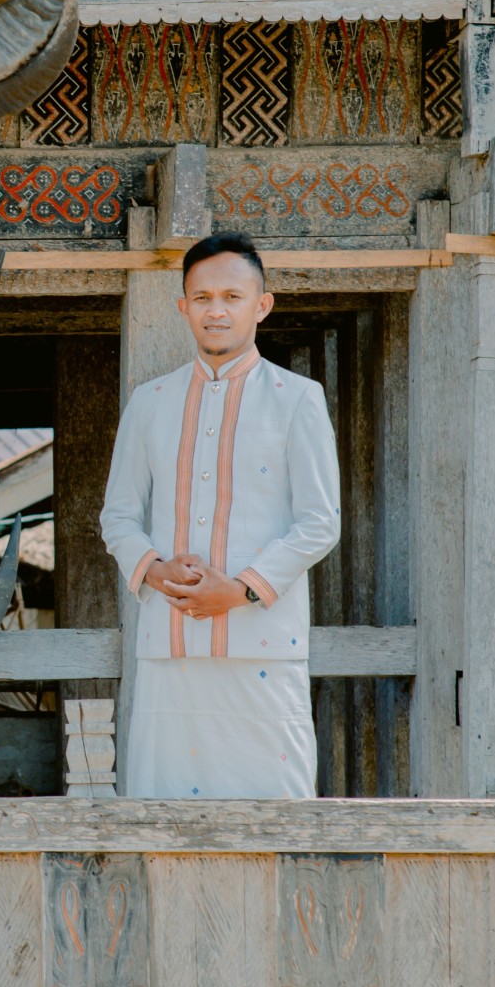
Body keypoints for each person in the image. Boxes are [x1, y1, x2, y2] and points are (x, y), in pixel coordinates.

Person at [100, 231, 340, 798]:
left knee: (274, 816)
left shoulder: (297, 398)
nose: (216, 311)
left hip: (263, 648)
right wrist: (155, 569)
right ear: (182, 307)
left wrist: (239, 590)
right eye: (202, 298)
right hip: (169, 650)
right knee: (164, 816)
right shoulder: (149, 402)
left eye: (232, 297)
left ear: (262, 305)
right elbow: (118, 517)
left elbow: (320, 522)